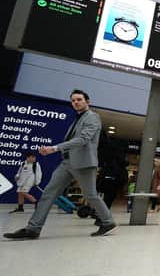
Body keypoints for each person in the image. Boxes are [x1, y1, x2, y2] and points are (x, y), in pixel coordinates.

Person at [4, 89, 116, 239]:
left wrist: (54, 148)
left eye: (79, 99)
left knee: (91, 195)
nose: (75, 102)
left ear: (87, 102)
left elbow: (83, 139)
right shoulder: (77, 119)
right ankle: (33, 229)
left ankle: (108, 221)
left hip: (83, 164)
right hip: (67, 162)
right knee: (48, 193)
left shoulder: (93, 117)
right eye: (73, 100)